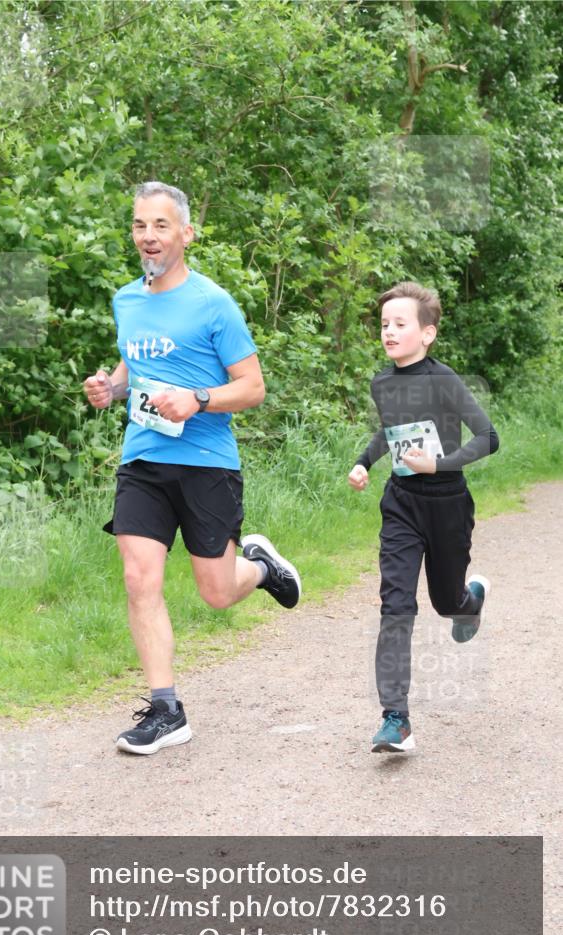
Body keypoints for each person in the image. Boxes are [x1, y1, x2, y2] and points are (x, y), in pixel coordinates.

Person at [83, 181, 301, 756]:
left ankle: (259, 566)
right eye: (139, 226)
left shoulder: (213, 303)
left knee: (217, 593)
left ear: (185, 233)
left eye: (160, 226)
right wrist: (111, 385)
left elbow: (252, 388)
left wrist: (199, 399)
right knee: (138, 578)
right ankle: (166, 709)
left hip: (205, 462)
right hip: (144, 459)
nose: (148, 237)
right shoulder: (126, 300)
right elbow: (134, 362)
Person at [348, 281, 499, 753]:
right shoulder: (382, 382)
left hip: (448, 502)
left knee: (444, 602)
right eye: (384, 325)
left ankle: (467, 600)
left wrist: (439, 464)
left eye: (400, 324)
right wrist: (362, 460)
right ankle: (396, 719)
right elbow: (389, 431)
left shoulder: (443, 379)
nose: (389, 333)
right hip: (401, 505)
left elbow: (488, 437)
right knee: (395, 605)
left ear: (427, 333)